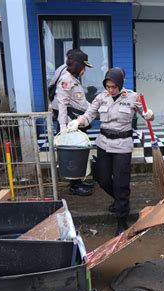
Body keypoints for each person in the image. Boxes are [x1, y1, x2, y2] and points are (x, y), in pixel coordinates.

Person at [67, 68, 154, 235]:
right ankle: (121, 200)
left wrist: (150, 114)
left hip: (122, 144)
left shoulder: (133, 97)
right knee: (102, 178)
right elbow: (89, 115)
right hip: (104, 143)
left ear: (120, 84)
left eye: (113, 86)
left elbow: (146, 113)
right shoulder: (101, 97)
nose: (110, 89)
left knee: (121, 182)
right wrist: (78, 122)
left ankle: (122, 220)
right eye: (107, 86)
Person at [53, 49, 94, 196]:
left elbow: (80, 102)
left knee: (79, 152)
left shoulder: (74, 79)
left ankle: (78, 181)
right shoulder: (66, 80)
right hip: (70, 124)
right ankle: (74, 186)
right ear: (78, 66)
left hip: (78, 121)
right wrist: (63, 129)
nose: (84, 71)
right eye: (83, 67)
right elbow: (62, 105)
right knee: (73, 154)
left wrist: (94, 110)